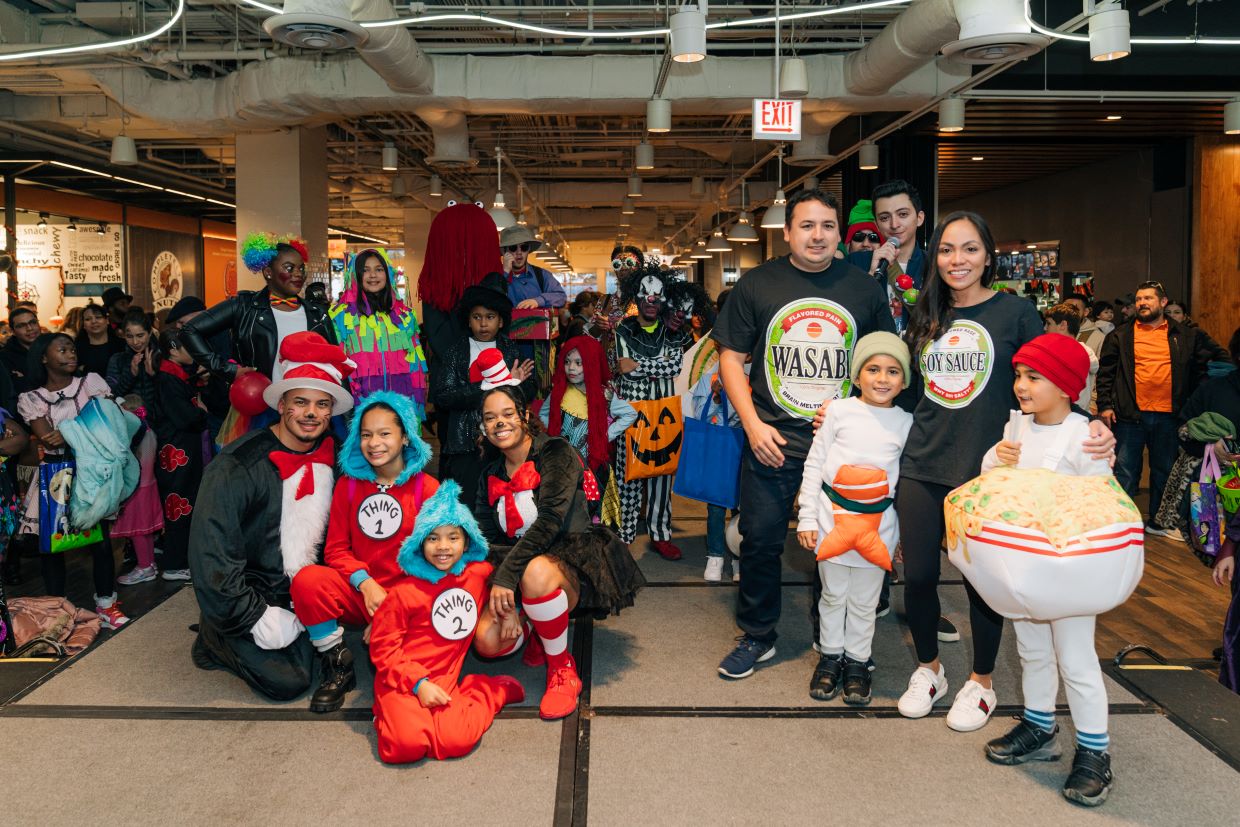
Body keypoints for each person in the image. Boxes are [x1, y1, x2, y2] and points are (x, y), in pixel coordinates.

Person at [893, 211, 1114, 732]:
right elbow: (905, 392)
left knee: (982, 584)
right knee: (920, 576)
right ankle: (929, 670)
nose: (957, 261)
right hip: (922, 462)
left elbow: (1048, 382)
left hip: (990, 467)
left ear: (988, 255)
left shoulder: (1015, 313)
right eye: (947, 250)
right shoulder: (926, 314)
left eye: (969, 249)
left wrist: (1090, 425)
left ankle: (982, 681)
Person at [711, 189, 896, 680]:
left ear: (840, 233)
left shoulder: (864, 290)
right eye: (807, 225)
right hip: (771, 436)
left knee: (841, 544)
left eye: (828, 226)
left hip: (843, 445)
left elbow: (885, 362)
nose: (818, 235)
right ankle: (758, 635)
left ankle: (831, 637)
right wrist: (752, 425)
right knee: (761, 540)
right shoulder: (758, 284)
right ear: (787, 231)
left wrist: (856, 413)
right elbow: (729, 358)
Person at [978, 333, 1116, 807]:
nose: (1020, 385)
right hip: (1025, 566)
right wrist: (995, 458)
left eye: (1033, 377)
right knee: (1031, 649)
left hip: (1070, 570)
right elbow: (992, 484)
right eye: (1019, 375)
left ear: (1065, 386)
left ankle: (1095, 751)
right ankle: (1040, 726)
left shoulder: (1086, 436)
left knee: (1076, 659)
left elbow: (1102, 502)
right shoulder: (1017, 427)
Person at [189, 332, 354, 701]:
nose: (312, 413)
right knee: (290, 681)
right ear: (282, 405)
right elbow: (211, 554)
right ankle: (215, 637)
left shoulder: (339, 457)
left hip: (305, 588)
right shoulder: (236, 465)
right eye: (301, 402)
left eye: (322, 404)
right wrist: (248, 614)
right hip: (251, 592)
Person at [471, 386, 645, 720]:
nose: (499, 423)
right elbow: (485, 538)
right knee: (487, 643)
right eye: (490, 418)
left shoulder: (556, 453)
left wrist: (509, 578)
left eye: (507, 414)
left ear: (525, 416)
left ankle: (561, 667)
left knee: (536, 572)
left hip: (569, 557)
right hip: (520, 570)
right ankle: (536, 624)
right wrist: (506, 600)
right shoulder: (489, 474)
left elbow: (550, 521)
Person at [290, 391, 437, 713]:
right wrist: (364, 582)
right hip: (363, 592)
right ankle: (337, 663)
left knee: (403, 685)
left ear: (405, 438)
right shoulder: (349, 486)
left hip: (408, 598)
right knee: (307, 580)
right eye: (366, 434)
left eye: (385, 433)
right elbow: (336, 549)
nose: (374, 443)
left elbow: (437, 561)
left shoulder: (427, 488)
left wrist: (393, 607)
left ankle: (397, 641)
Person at [370, 479, 524, 763]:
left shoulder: (476, 574)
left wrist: (510, 607)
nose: (443, 547)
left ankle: (486, 691)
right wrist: (418, 685)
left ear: (467, 542)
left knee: (457, 742)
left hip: (446, 678)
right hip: (403, 680)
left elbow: (505, 577)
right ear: (420, 544)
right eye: (433, 538)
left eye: (453, 537)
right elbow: (382, 650)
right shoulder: (404, 593)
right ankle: (392, 714)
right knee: (405, 747)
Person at [798, 332, 913, 706]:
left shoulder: (906, 422)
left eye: (893, 371)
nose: (882, 378)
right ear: (857, 374)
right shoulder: (838, 412)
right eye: (873, 369)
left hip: (878, 529)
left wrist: (902, 539)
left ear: (905, 379)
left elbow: (905, 482)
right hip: (831, 522)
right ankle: (830, 657)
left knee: (865, 601)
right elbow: (815, 465)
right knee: (832, 595)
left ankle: (858, 662)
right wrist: (806, 519)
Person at [1096, 280, 1228, 540]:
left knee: (1164, 470)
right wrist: (1105, 406)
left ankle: (1159, 521)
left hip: (1170, 416)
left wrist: (1197, 400)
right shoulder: (1121, 335)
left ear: (1163, 302)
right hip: (1129, 415)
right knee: (1124, 471)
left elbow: (1219, 357)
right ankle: (1122, 522)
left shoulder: (1187, 334)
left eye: (1148, 298)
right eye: (1139, 299)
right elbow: (1106, 373)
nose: (1142, 303)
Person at [17, 333, 128, 629]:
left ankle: (106, 605)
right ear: (44, 358)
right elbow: (46, 437)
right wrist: (78, 429)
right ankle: (58, 612)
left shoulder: (90, 383)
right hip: (57, 476)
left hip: (92, 472)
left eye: (72, 349)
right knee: (54, 548)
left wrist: (66, 431)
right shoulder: (32, 398)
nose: (71, 354)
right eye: (62, 350)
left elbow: (110, 420)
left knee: (101, 543)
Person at [181, 233, 335, 392]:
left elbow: (334, 363)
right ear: (268, 272)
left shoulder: (317, 313)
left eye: (301, 268)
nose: (298, 274)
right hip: (259, 404)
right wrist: (227, 370)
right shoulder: (243, 306)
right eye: (289, 268)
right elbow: (189, 330)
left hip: (307, 403)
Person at [611, 261, 693, 559]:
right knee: (628, 475)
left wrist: (640, 365)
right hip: (631, 413)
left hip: (665, 412)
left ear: (663, 300)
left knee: (662, 476)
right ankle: (625, 533)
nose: (651, 302)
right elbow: (623, 368)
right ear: (637, 296)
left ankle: (661, 534)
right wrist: (652, 368)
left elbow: (674, 365)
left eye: (657, 298)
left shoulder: (673, 332)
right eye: (646, 296)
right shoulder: (623, 329)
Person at [431, 273, 535, 506]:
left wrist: (515, 384)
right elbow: (444, 396)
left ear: (501, 321)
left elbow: (529, 390)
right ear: (468, 320)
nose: (483, 323)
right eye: (477, 317)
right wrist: (499, 383)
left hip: (502, 446)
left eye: (490, 317)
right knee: (465, 507)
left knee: (499, 506)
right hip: (464, 447)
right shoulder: (456, 352)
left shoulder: (511, 350)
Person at [329, 248, 428, 418]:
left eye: (379, 269)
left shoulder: (405, 315)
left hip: (401, 402)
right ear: (355, 276)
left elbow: (416, 361)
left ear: (387, 274)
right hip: (359, 401)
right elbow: (336, 362)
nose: (373, 275)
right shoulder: (340, 316)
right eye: (365, 270)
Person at [541, 334, 635, 510]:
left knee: (590, 509)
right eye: (567, 362)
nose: (571, 368)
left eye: (579, 363)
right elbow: (544, 414)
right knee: (565, 505)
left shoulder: (604, 394)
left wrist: (604, 436)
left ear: (591, 363)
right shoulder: (560, 392)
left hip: (593, 466)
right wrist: (555, 432)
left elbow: (630, 414)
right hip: (563, 465)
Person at [149, 328, 208, 582]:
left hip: (182, 449)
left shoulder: (177, 376)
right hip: (175, 452)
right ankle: (174, 563)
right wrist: (202, 413)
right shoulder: (167, 379)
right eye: (188, 347)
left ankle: (180, 559)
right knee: (178, 506)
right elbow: (184, 417)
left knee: (185, 503)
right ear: (173, 350)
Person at [687, 359, 747, 583]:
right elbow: (699, 413)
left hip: (744, 446)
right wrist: (716, 397)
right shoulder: (708, 379)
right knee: (716, 504)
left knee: (741, 505)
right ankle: (715, 556)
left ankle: (738, 556)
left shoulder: (752, 378)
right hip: (717, 449)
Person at [848, 180, 927, 333]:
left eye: (903, 214)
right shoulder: (855, 263)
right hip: (874, 353)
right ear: (877, 225)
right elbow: (846, 315)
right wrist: (871, 275)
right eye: (884, 218)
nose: (894, 224)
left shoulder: (934, 265)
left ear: (919, 218)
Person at [105, 308, 161, 419]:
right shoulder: (117, 360)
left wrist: (154, 376)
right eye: (129, 336)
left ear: (149, 333)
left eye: (140, 335)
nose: (135, 342)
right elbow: (111, 397)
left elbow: (173, 394)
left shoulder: (162, 356)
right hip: (130, 425)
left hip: (162, 426)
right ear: (123, 335)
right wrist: (130, 374)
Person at [1043, 302, 1099, 412]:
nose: (1045, 328)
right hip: (1070, 416)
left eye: (1049, 323)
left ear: (1063, 325)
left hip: (1070, 417)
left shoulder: (1073, 354)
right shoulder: (1084, 352)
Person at [1, 306, 42, 404]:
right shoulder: (4, 357)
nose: (30, 328)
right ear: (13, 331)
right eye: (21, 326)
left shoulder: (51, 347)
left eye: (33, 322)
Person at [74, 303, 124, 380]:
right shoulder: (76, 348)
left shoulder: (121, 345)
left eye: (98, 317)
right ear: (84, 325)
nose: (94, 321)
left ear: (107, 321)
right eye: (88, 319)